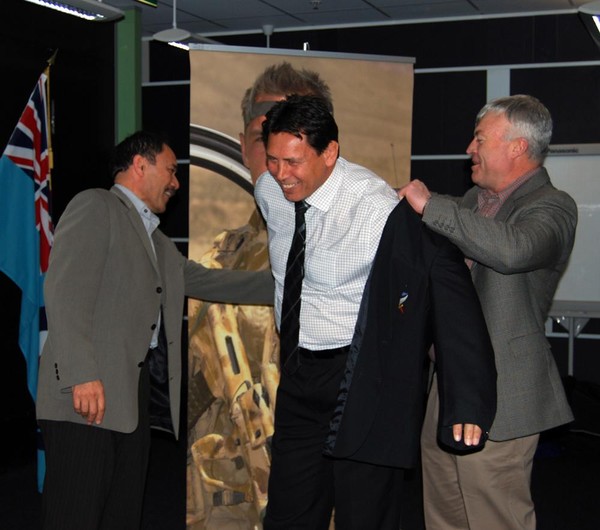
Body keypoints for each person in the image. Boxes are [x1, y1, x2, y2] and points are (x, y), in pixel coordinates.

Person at [255, 94, 497, 530]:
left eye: (293, 162)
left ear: (330, 153)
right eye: (272, 160)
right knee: (288, 516)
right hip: (297, 374)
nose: (281, 175)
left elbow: (447, 289)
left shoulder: (375, 210)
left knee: (364, 517)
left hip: (361, 377)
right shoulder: (269, 191)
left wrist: (467, 399)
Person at [36, 131, 274, 530]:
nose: (176, 182)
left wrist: (288, 285)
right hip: (85, 399)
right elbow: (64, 292)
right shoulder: (96, 206)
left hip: (130, 401)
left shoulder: (157, 242)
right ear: (139, 165)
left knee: (121, 516)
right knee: (74, 515)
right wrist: (82, 375)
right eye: (171, 170)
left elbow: (210, 281)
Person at [399, 94, 577, 530]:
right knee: (444, 512)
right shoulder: (472, 202)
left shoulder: (552, 207)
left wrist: (431, 206)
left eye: (479, 139)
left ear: (517, 147)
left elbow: (513, 250)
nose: (469, 149)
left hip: (504, 394)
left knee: (494, 515)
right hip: (448, 386)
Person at [186, 62, 333, 527]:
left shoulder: (354, 240)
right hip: (225, 487)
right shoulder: (218, 255)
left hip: (312, 480)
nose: (272, 154)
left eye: (290, 137)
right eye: (259, 135)